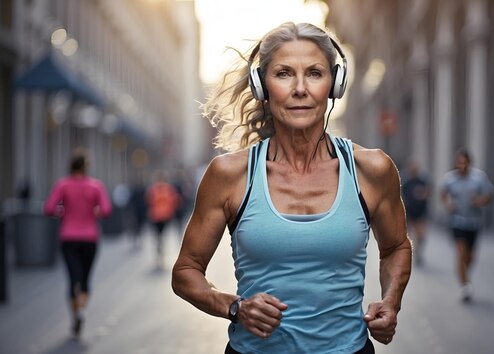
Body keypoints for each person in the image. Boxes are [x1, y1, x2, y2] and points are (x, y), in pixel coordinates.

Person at [172, 22, 412, 354]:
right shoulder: (229, 174)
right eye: (284, 74)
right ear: (262, 87)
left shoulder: (371, 170)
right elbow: (186, 271)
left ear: (334, 85)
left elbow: (396, 247)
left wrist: (391, 300)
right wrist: (234, 307)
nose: (300, 88)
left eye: (314, 73)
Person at [43, 148, 112, 337]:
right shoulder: (96, 186)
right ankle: (82, 309)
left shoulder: (63, 184)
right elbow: (106, 210)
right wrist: (94, 212)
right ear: (86, 166)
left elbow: (49, 208)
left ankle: (76, 315)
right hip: (90, 237)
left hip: (68, 237)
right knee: (85, 279)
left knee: (72, 278)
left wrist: (63, 213)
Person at [440, 148, 494, 303]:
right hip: (457, 221)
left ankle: (465, 274)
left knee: (470, 256)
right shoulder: (450, 179)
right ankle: (464, 285)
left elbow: (490, 194)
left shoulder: (479, 178)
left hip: (474, 222)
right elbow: (442, 193)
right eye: (459, 163)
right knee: (461, 252)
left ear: (469, 163)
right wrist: (448, 204)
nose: (462, 166)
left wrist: (480, 201)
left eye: (465, 163)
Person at [146, 170, 181, 267]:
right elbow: (173, 201)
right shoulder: (168, 188)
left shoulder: (153, 189)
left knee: (158, 235)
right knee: (162, 234)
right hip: (165, 215)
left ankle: (159, 247)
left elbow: (149, 200)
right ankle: (160, 248)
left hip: (155, 215)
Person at [401, 158, 430, 265]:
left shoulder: (423, 179)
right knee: (408, 234)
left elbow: (428, 191)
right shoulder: (405, 180)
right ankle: (408, 253)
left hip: (420, 211)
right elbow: (401, 194)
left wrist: (423, 194)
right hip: (409, 211)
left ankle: (418, 251)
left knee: (421, 235)